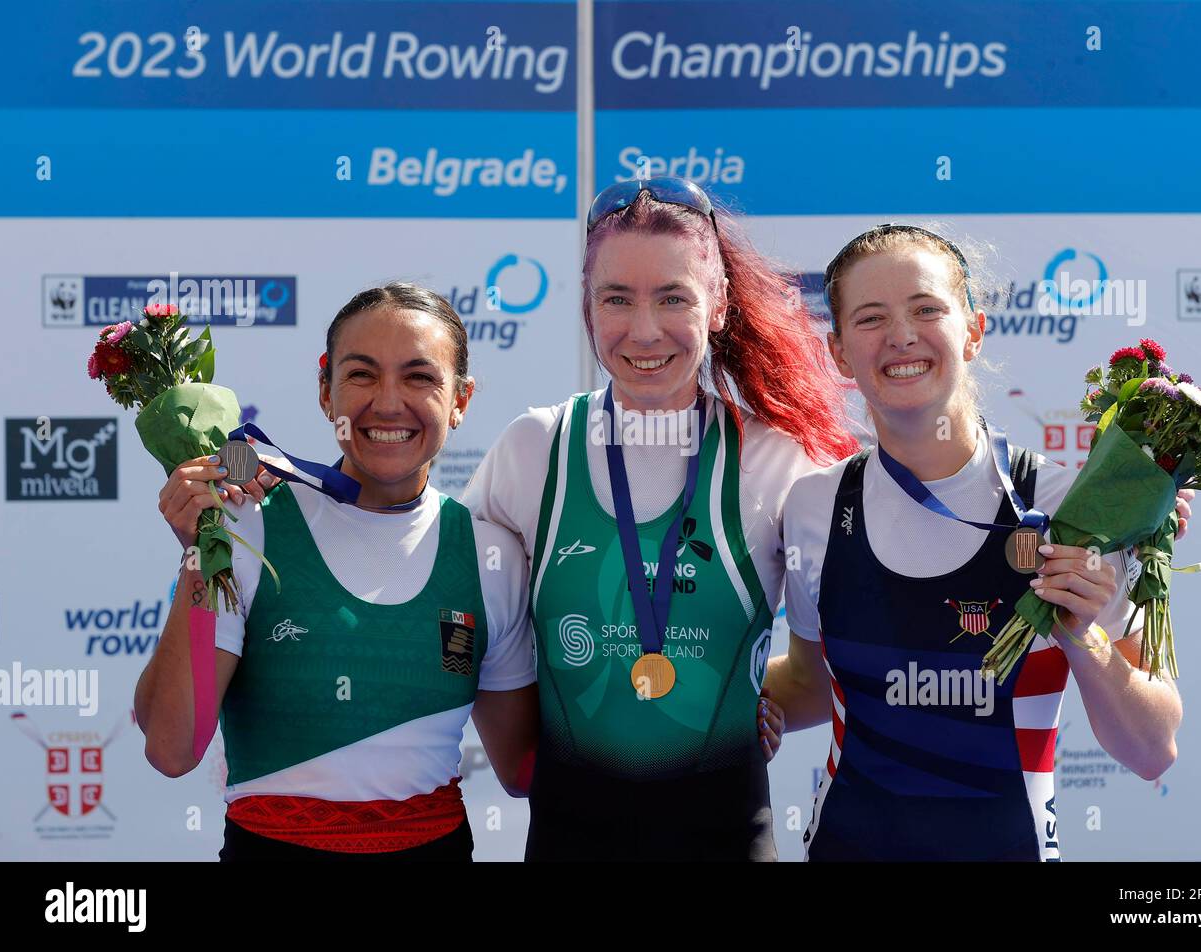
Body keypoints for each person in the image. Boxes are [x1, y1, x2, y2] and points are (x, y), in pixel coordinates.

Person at [764, 224, 1190, 861]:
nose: (901, 336)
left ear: (974, 330)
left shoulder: (1067, 509)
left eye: (927, 309)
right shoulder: (813, 508)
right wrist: (694, 703)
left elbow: (1152, 750)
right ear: (838, 352)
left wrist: (1082, 633)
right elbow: (811, 681)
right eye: (871, 317)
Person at [461, 177, 854, 860]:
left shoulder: (776, 463)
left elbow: (834, 670)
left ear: (718, 305)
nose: (644, 331)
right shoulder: (534, 451)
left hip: (728, 835)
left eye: (673, 297)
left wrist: (751, 704)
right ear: (587, 307)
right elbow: (450, 618)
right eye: (617, 299)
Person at [134, 283, 538, 861]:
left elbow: (525, 772)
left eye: (420, 377)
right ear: (325, 391)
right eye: (361, 375)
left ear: (461, 399)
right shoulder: (250, 525)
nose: (389, 402)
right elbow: (172, 748)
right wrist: (202, 550)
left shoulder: (490, 556)